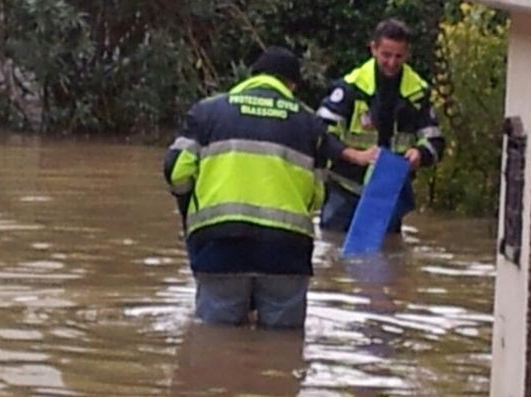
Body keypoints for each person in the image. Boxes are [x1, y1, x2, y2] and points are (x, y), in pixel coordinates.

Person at [163, 46, 377, 329]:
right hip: (286, 252)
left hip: (221, 246)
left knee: (215, 343)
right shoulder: (310, 123)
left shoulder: (208, 112)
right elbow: (316, 197)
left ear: (252, 76)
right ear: (292, 84)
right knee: (283, 349)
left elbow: (176, 171)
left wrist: (189, 209)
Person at [316, 18, 445, 234]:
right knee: (335, 251)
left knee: (388, 258)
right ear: (374, 49)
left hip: (388, 194)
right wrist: (355, 156)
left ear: (407, 54)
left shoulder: (418, 93)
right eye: (386, 55)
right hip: (345, 191)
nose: (392, 63)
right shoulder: (350, 88)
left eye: (398, 56)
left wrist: (420, 154)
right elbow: (319, 135)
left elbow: (436, 141)